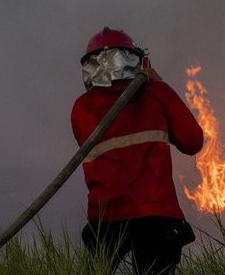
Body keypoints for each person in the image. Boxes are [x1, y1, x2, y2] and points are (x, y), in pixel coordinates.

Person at [71, 27, 203, 274]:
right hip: (155, 212)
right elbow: (192, 141)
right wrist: (156, 82)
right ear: (136, 60)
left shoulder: (81, 108)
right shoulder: (157, 93)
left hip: (105, 216)